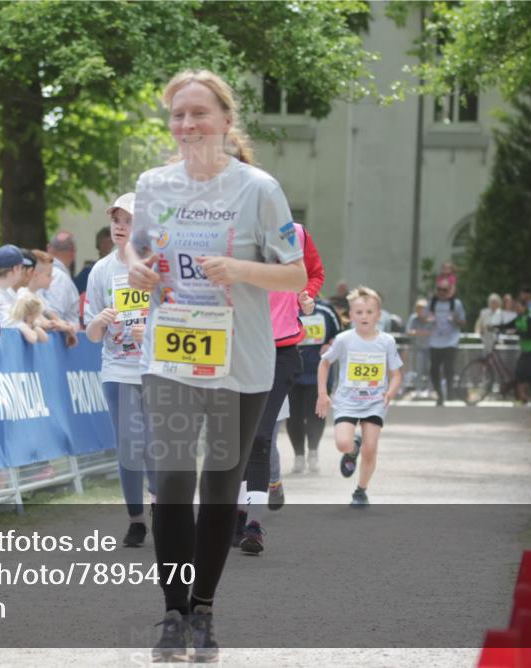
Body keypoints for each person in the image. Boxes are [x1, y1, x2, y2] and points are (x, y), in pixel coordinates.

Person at [125, 69, 306, 662]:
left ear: (227, 121)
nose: (187, 124)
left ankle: (204, 608)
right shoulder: (153, 184)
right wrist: (137, 267)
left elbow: (297, 273)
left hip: (239, 360)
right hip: (172, 355)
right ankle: (173, 615)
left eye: (199, 113)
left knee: (219, 483)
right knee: (174, 482)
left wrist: (243, 270)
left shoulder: (258, 189)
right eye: (178, 114)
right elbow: (140, 246)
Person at [236, 220, 325, 554]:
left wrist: (307, 295)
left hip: (281, 351)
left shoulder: (297, 233)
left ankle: (254, 526)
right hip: (236, 347)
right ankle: (239, 513)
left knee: (260, 436)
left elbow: (315, 273)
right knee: (235, 438)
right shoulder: (227, 229)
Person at [85, 192, 156, 548]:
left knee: (157, 445)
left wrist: (152, 333)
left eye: (128, 220)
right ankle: (136, 520)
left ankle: (163, 507)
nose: (119, 226)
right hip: (119, 368)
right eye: (116, 220)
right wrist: (98, 321)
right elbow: (92, 334)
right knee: (130, 446)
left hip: (158, 370)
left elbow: (179, 318)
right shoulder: (101, 270)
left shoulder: (159, 265)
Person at [316, 286, 403, 508]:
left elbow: (396, 374)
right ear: (350, 315)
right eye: (359, 312)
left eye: (369, 312)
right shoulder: (344, 339)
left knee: (371, 447)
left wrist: (390, 392)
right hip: (347, 401)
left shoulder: (387, 342)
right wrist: (322, 394)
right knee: (342, 443)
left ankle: (360, 491)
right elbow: (324, 362)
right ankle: (352, 449)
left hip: (375, 401)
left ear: (378, 315)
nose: (364, 317)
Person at [286, 295, 341, 473]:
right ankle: (299, 455)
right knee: (293, 416)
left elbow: (339, 336)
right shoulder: (288, 305)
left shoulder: (325, 310)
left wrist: (330, 344)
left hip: (318, 372)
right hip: (292, 370)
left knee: (316, 414)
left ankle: (313, 451)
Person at [426, 278, 466, 406]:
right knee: (434, 370)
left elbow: (463, 322)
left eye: (445, 290)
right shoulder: (432, 303)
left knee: (448, 368)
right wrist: (429, 319)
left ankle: (450, 391)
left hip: (450, 341)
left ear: (450, 291)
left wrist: (454, 320)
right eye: (439, 289)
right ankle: (439, 394)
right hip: (435, 341)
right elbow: (424, 317)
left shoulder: (456, 304)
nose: (442, 292)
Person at [41, 230, 81, 326]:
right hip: (61, 338)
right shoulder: (59, 278)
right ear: (72, 253)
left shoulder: (46, 273)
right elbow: (55, 314)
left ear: (48, 248)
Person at [0, 244, 28, 325]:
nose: (22, 272)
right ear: (15, 269)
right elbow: (12, 323)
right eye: (21, 268)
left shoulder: (8, 292)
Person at [405, 298, 433, 397]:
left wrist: (417, 332)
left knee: (430, 369)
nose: (420, 310)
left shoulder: (431, 318)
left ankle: (429, 390)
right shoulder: (413, 318)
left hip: (431, 348)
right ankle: (418, 389)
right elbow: (409, 331)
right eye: (418, 308)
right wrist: (423, 333)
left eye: (422, 308)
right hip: (418, 348)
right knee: (418, 369)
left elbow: (433, 333)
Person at [74, 225, 113, 294]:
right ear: (98, 244)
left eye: (109, 242)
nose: (106, 246)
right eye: (103, 242)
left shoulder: (118, 268)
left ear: (113, 244)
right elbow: (74, 291)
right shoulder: (89, 270)